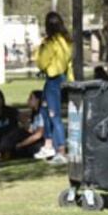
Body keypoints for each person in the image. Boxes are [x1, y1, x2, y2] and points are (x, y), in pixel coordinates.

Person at [34, 11, 74, 165]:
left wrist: (40, 51)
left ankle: (61, 151)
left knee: (54, 115)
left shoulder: (50, 43)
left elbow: (42, 62)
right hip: (62, 78)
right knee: (44, 109)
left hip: (53, 80)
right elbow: (69, 62)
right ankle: (49, 144)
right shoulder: (66, 41)